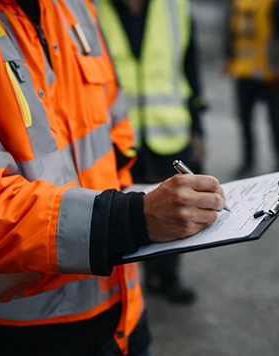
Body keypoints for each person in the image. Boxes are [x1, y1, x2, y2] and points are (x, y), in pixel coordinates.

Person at [0, 1, 226, 356]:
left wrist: (139, 210)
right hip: (6, 351)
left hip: (121, 324)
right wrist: (133, 218)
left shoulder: (73, 7)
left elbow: (114, 136)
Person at [96, 0, 208, 305]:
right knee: (120, 212)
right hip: (115, 135)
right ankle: (124, 287)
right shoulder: (91, 7)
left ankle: (166, 278)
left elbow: (190, 68)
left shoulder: (176, 7)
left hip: (168, 131)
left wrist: (198, 128)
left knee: (175, 208)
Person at [223, 0, 279, 177]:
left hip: (272, 72)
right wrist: (228, 56)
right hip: (244, 70)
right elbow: (231, 31)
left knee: (276, 118)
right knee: (245, 119)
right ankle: (248, 160)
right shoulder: (238, 3)